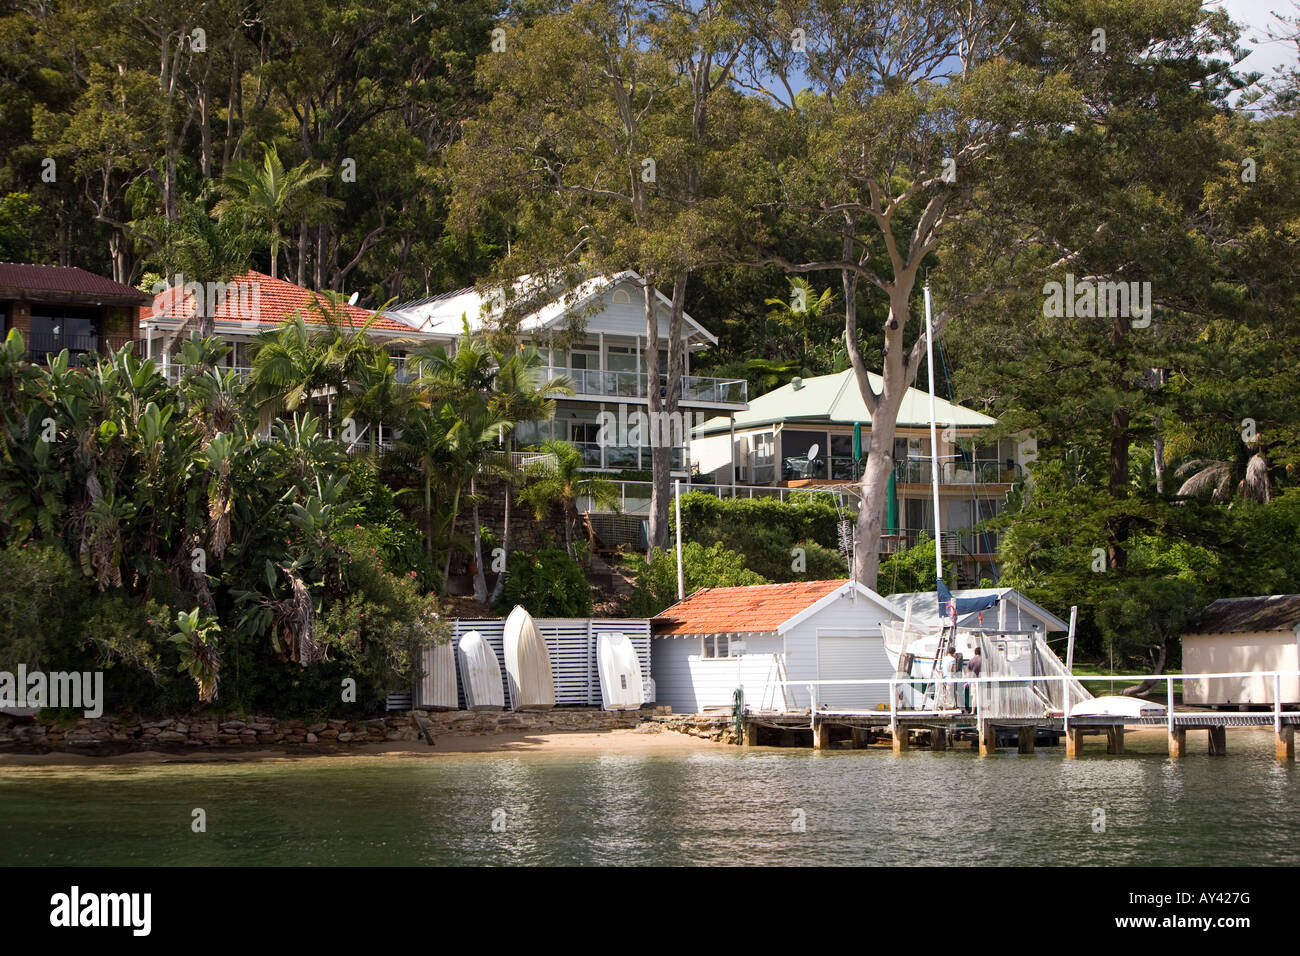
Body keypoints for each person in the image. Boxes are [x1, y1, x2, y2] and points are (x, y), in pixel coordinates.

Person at [965, 646, 983, 712]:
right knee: (982, 696)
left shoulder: (971, 660)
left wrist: (967, 681)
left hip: (974, 680)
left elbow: (968, 672)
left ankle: (972, 711)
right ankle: (982, 711)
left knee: (974, 696)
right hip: (982, 680)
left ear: (974, 652)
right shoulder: (983, 660)